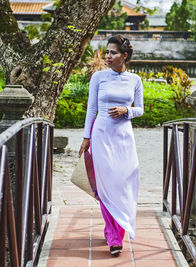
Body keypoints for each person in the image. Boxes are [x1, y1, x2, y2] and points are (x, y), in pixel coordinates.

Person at [79, 34, 144, 255]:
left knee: (124, 181)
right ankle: (114, 236)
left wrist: (127, 111)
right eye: (107, 52)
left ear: (124, 56)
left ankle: (119, 225)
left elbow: (141, 109)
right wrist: (86, 137)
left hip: (124, 136)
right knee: (105, 185)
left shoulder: (135, 80)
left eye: (113, 52)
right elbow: (91, 109)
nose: (107, 56)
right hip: (101, 134)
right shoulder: (99, 77)